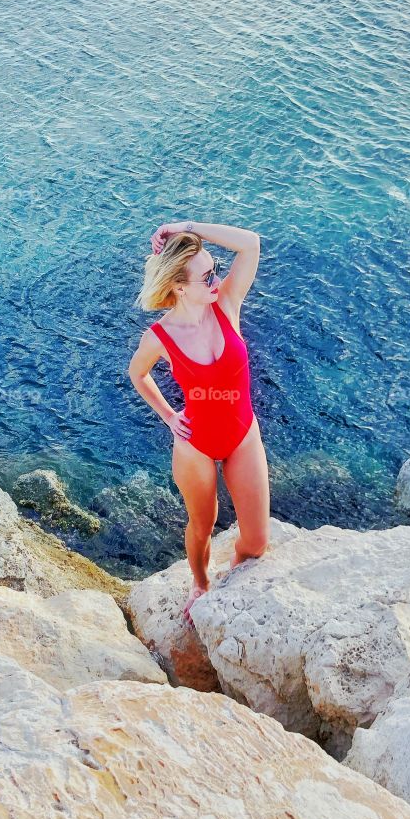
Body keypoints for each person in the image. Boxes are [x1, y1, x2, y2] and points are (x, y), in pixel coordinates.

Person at [128, 220, 271, 624]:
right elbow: (138, 374)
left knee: (256, 543)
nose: (217, 280)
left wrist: (187, 228)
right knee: (202, 525)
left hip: (243, 435)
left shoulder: (226, 304)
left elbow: (251, 243)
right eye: (206, 276)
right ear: (178, 286)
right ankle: (201, 584)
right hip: (196, 446)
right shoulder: (160, 337)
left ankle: (237, 572)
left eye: (215, 270)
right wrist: (168, 416)